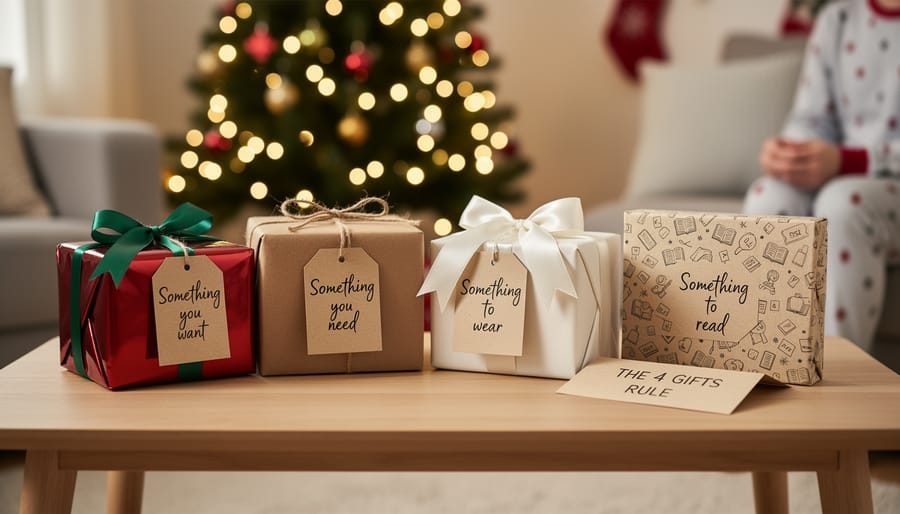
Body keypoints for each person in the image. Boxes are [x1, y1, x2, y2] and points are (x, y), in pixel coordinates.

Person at [743, 0, 900, 352]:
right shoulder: (838, 19)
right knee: (768, 194)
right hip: (842, 173)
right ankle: (761, 355)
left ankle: (840, 370)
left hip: (875, 187)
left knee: (843, 205)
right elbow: (810, 118)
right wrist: (791, 154)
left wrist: (848, 161)